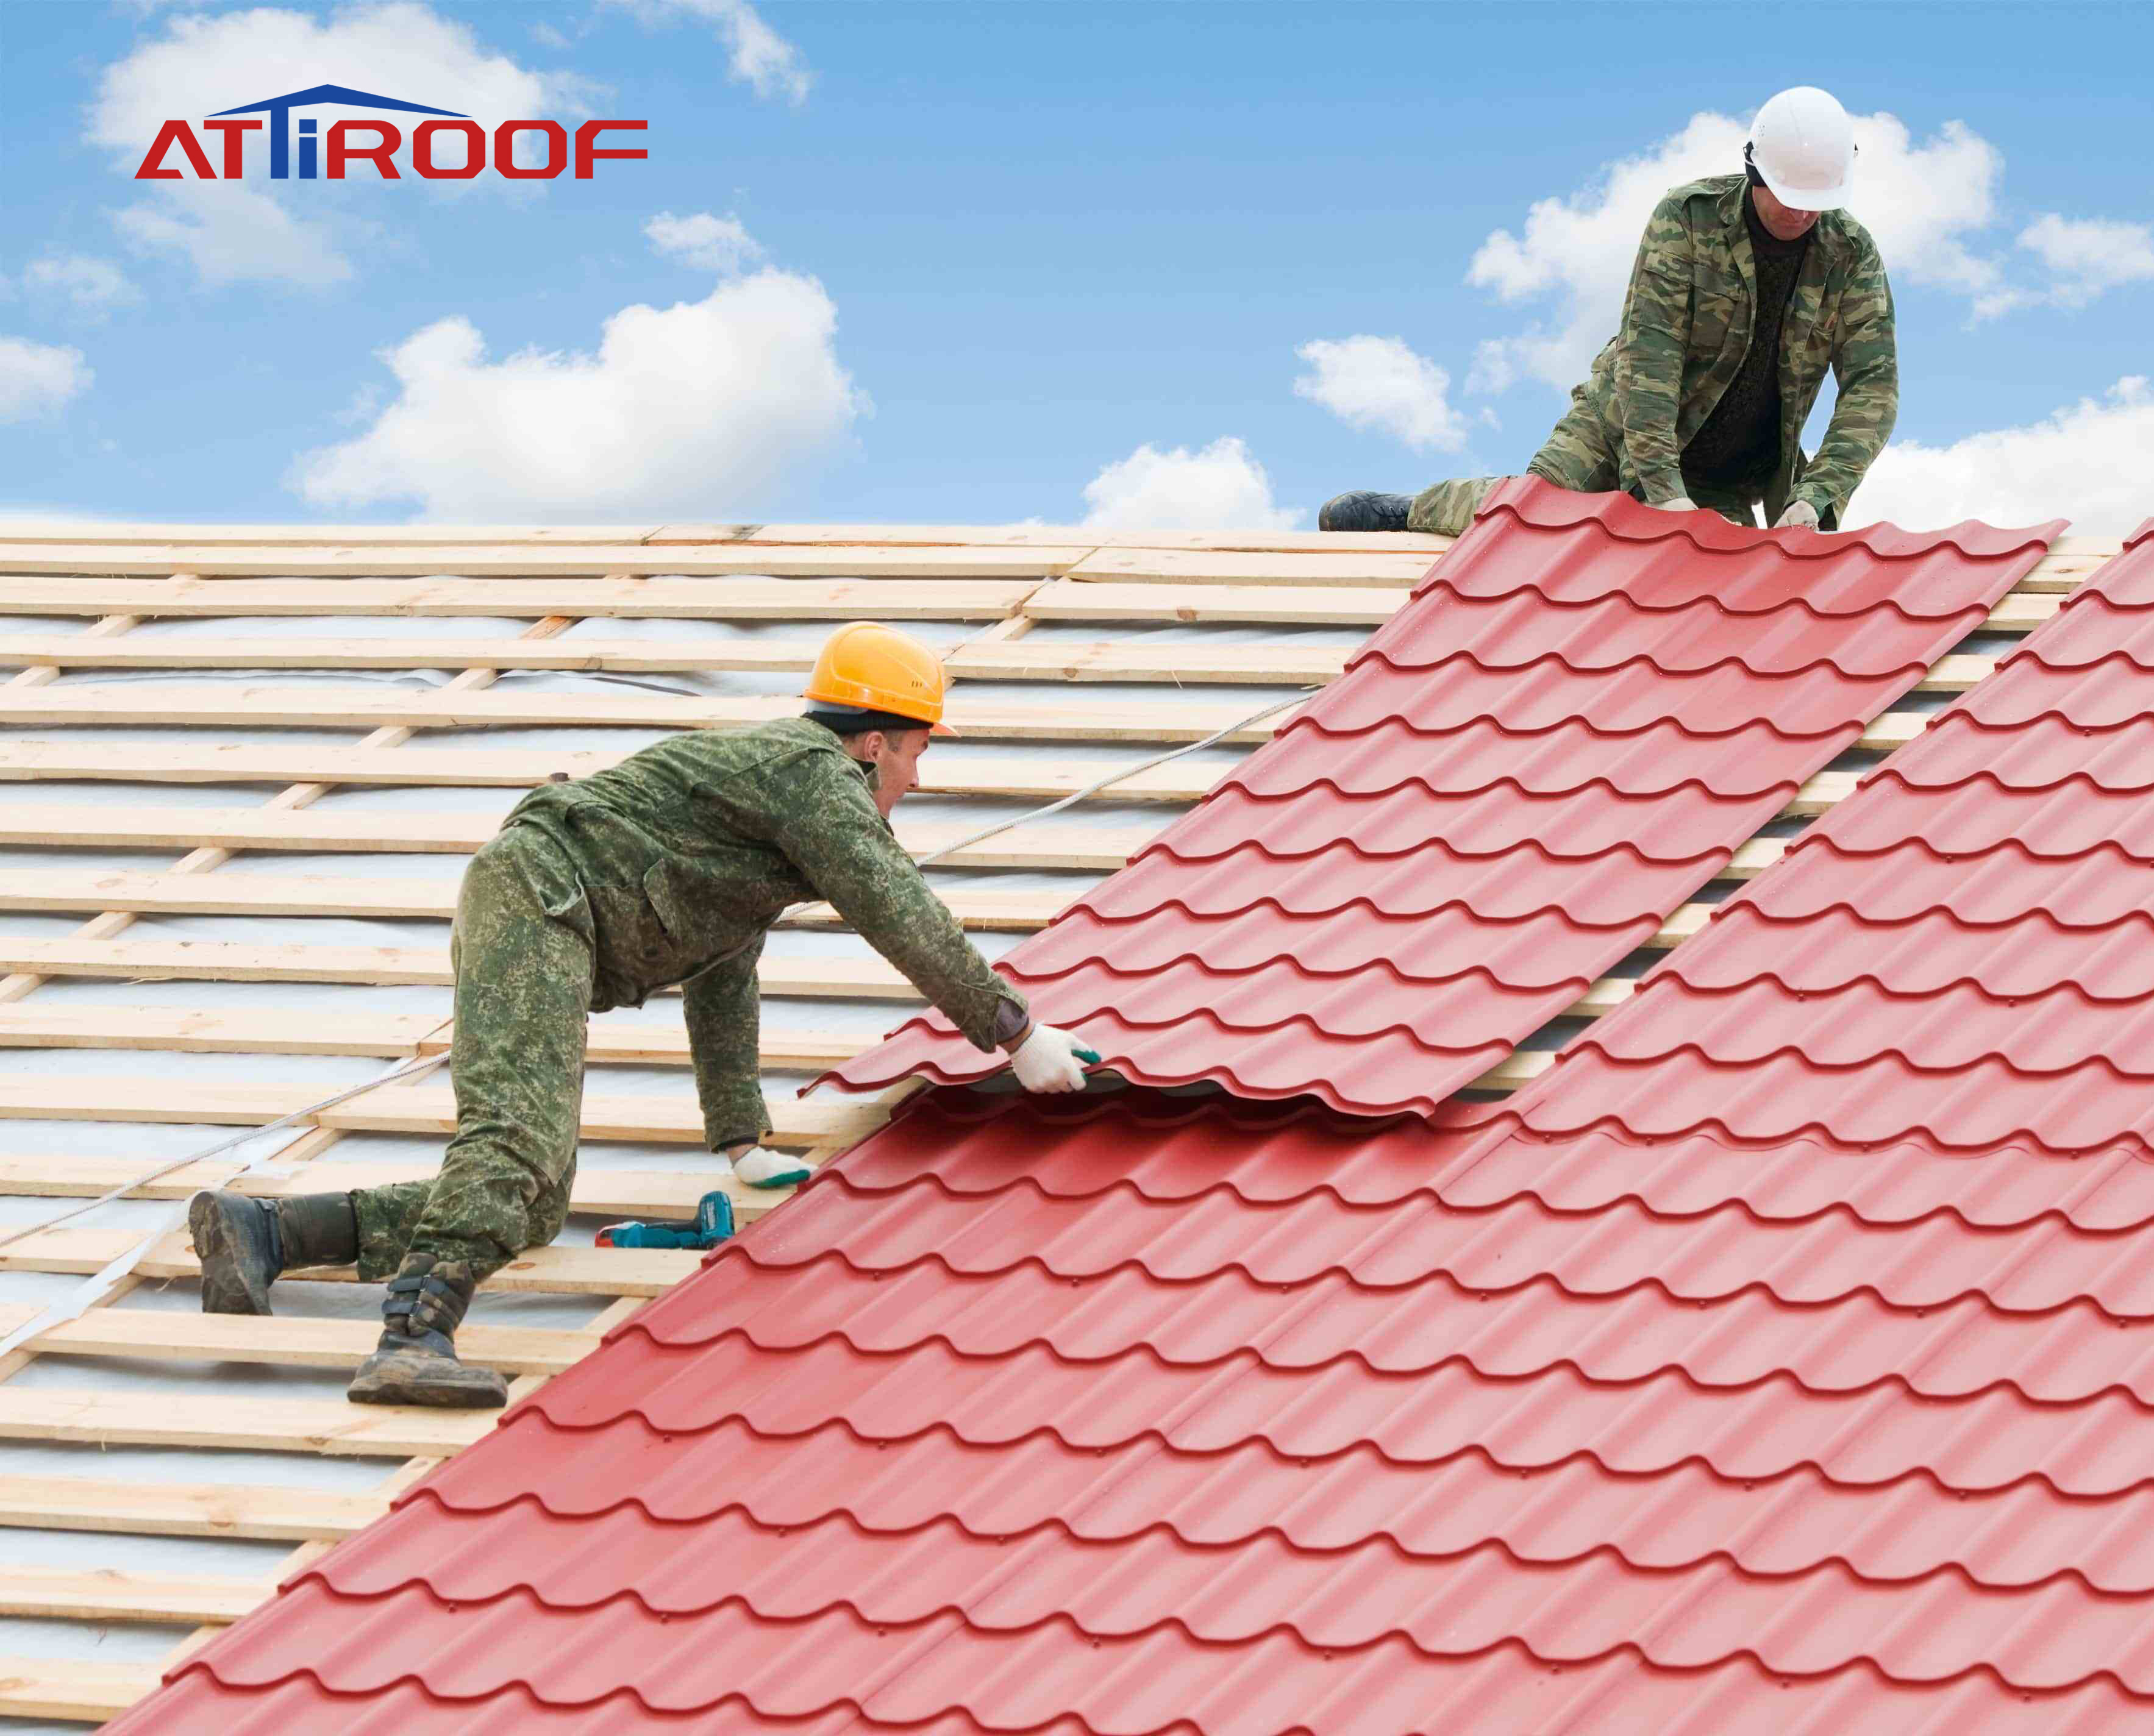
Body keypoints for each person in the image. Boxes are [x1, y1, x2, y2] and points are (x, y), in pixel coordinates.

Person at [186, 623, 1096, 1409]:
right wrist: (1014, 1032)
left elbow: (726, 961)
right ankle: (412, 1341)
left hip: (546, 907)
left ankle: (267, 1233)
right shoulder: (812, 779)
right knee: (517, 1145)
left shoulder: (768, 818)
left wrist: (740, 1137)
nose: (918, 779)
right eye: (918, 752)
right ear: (873, 744)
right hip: (543, 894)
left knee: (536, 1205)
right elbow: (900, 911)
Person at [1322, 86, 1896, 537]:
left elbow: (1872, 387)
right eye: (1789, 198)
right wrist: (1663, 491)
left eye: (1816, 204)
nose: (1802, 216)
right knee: (1531, 522)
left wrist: (1818, 493)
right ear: (1755, 172)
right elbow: (1652, 358)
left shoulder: (1851, 254)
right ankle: (1408, 510)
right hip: (1620, 424)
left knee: (1712, 586)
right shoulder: (1687, 221)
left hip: (1731, 469)